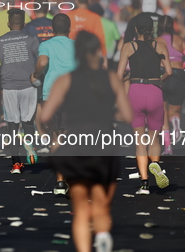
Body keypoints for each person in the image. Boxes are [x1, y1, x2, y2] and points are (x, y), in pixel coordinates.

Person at [40, 31, 133, 252]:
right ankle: (101, 236)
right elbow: (128, 116)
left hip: (76, 145)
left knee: (81, 209)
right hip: (103, 144)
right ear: (97, 52)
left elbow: (45, 117)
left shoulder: (66, 80)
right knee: (101, 205)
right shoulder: (110, 78)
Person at [117, 14, 173, 195]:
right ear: (153, 29)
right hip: (155, 91)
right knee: (154, 138)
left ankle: (144, 184)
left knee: (140, 142)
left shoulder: (128, 47)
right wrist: (159, 80)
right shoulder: (160, 46)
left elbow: (119, 76)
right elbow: (170, 71)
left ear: (135, 29)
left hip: (136, 92)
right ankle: (155, 164)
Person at [0, 9, 39, 173]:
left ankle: (16, 163)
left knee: (12, 124)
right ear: (24, 24)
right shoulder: (32, 40)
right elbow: (41, 60)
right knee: (28, 122)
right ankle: (29, 143)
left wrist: (1, 72)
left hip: (9, 86)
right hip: (29, 85)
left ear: (8, 24)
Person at [31, 14, 77, 194]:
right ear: (69, 28)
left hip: (52, 94)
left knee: (56, 136)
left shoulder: (46, 45)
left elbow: (42, 61)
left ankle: (60, 181)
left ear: (52, 29)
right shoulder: (75, 46)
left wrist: (36, 74)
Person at [156, 15, 185, 155]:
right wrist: (180, 68)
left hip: (162, 75)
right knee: (175, 111)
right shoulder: (179, 40)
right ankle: (176, 124)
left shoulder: (156, 41)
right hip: (178, 76)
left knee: (163, 113)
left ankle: (168, 147)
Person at [89, 3, 121, 70]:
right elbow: (118, 40)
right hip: (109, 56)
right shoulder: (111, 24)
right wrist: (114, 54)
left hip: (93, 56)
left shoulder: (89, 25)